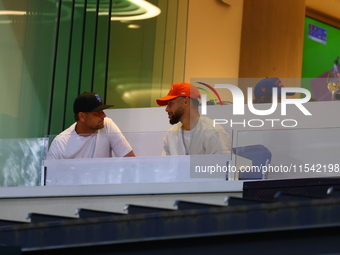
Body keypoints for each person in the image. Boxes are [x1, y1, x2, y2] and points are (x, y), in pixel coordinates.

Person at [46, 92, 135, 159]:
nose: (104, 115)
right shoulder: (60, 143)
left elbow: (130, 161)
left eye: (103, 111)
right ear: (82, 116)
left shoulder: (107, 125)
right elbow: (50, 178)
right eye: (97, 113)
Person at [156, 82, 231, 155]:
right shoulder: (171, 135)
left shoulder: (213, 132)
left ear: (186, 102)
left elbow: (223, 165)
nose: (167, 109)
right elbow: (167, 165)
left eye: (171, 104)